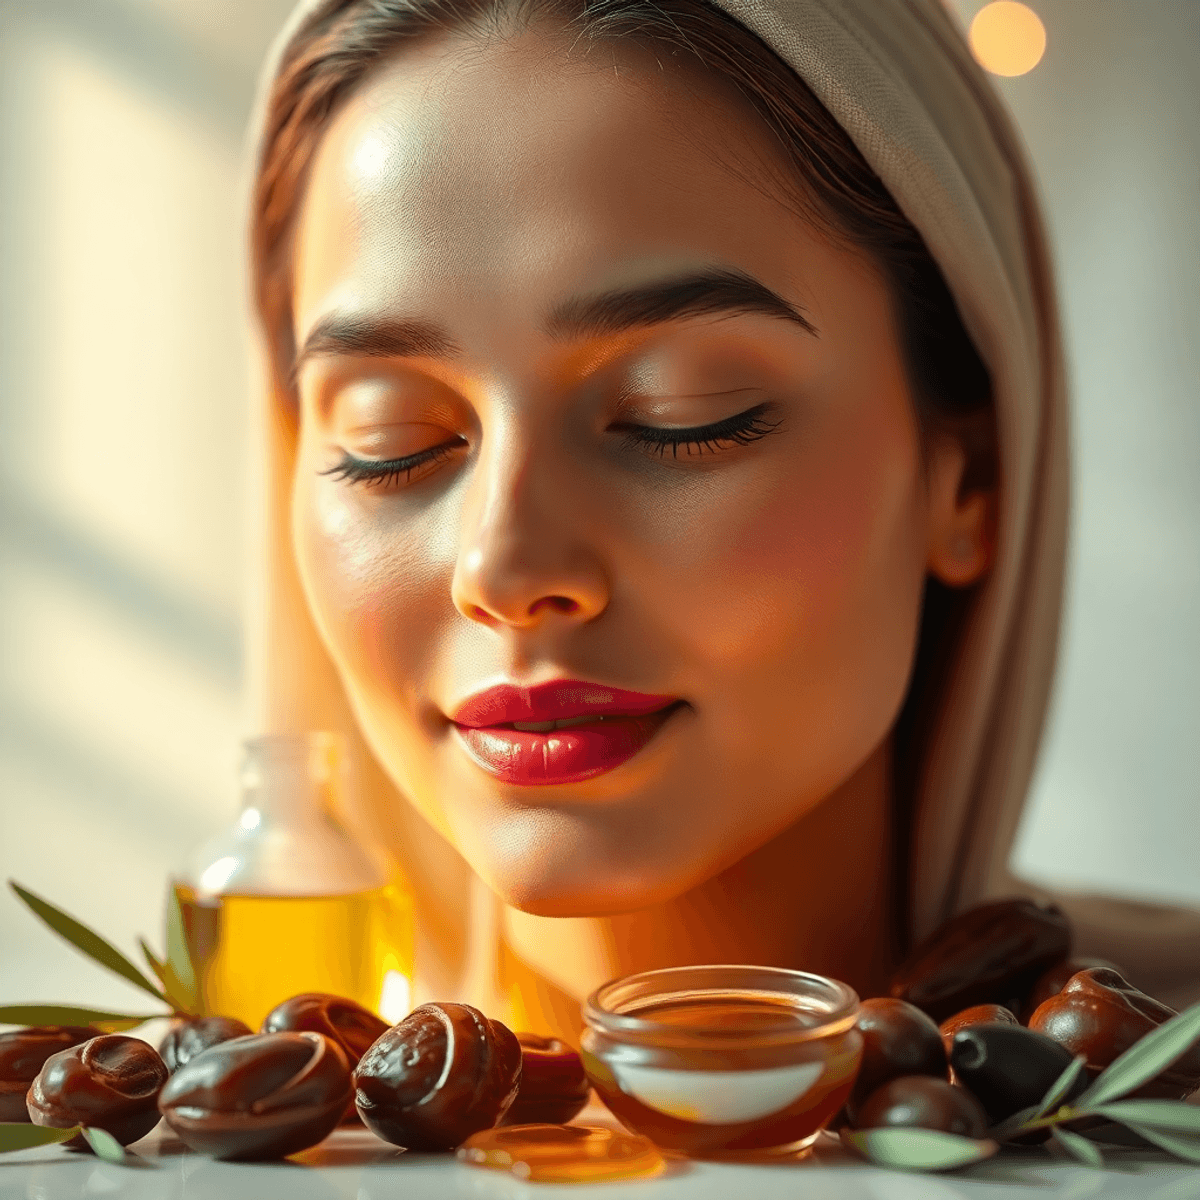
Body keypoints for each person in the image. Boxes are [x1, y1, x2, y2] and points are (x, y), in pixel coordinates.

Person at [244, 0, 1200, 1039]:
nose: (505, 566)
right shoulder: (191, 1111)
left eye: (682, 414)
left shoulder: (1161, 1092)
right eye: (391, 438)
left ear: (968, 479)